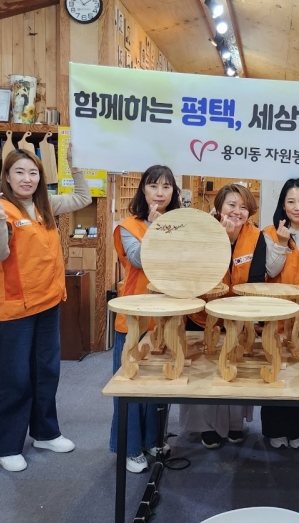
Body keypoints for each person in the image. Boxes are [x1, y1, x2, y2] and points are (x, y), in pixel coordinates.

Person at [0, 147, 91, 472]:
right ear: (7, 176)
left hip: (47, 303)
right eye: (19, 172)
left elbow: (82, 197)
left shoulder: (45, 205)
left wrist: (75, 166)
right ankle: (5, 446)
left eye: (33, 173)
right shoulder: (0, 210)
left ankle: (45, 432)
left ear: (41, 178)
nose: (27, 179)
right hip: (16, 307)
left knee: (46, 371)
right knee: (14, 377)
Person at [181, 184, 266, 449]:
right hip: (204, 316)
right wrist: (223, 241)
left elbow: (256, 280)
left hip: (238, 317)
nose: (237, 211)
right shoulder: (203, 232)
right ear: (219, 207)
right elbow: (198, 272)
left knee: (236, 368)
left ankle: (235, 423)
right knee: (205, 370)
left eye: (243, 207)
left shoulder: (257, 236)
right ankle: (206, 427)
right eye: (231, 204)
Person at [110, 165, 181, 473]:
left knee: (158, 384)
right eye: (153, 186)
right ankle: (129, 448)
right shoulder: (129, 226)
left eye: (166, 187)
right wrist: (155, 229)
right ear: (143, 190)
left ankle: (153, 439)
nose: (160, 193)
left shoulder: (179, 224)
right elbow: (140, 259)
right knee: (131, 385)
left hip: (165, 316)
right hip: (135, 316)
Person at [261, 177, 299, 450]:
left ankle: (296, 430)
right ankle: (274, 429)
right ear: (283, 205)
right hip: (278, 316)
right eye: (291, 202)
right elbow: (271, 270)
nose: (297, 207)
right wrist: (281, 243)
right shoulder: (269, 232)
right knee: (275, 372)